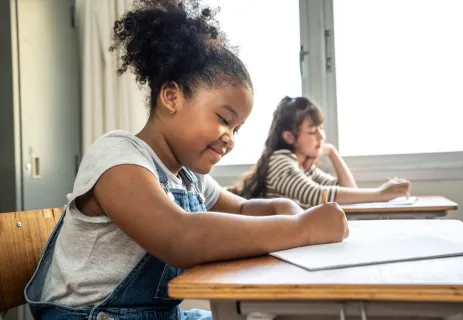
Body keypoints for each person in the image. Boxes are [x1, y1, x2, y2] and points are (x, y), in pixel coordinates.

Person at [24, 1, 348, 319]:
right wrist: (301, 229)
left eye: (237, 129)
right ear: (171, 97)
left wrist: (283, 209)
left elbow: (245, 209)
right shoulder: (118, 158)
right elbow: (179, 237)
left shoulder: (189, 179)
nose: (230, 138)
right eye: (224, 119)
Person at [237, 96, 411, 208]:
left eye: (321, 128)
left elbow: (348, 190)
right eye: (312, 131)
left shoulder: (304, 166)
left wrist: (333, 153)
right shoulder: (280, 160)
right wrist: (380, 194)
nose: (322, 136)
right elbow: (317, 195)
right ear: (289, 137)